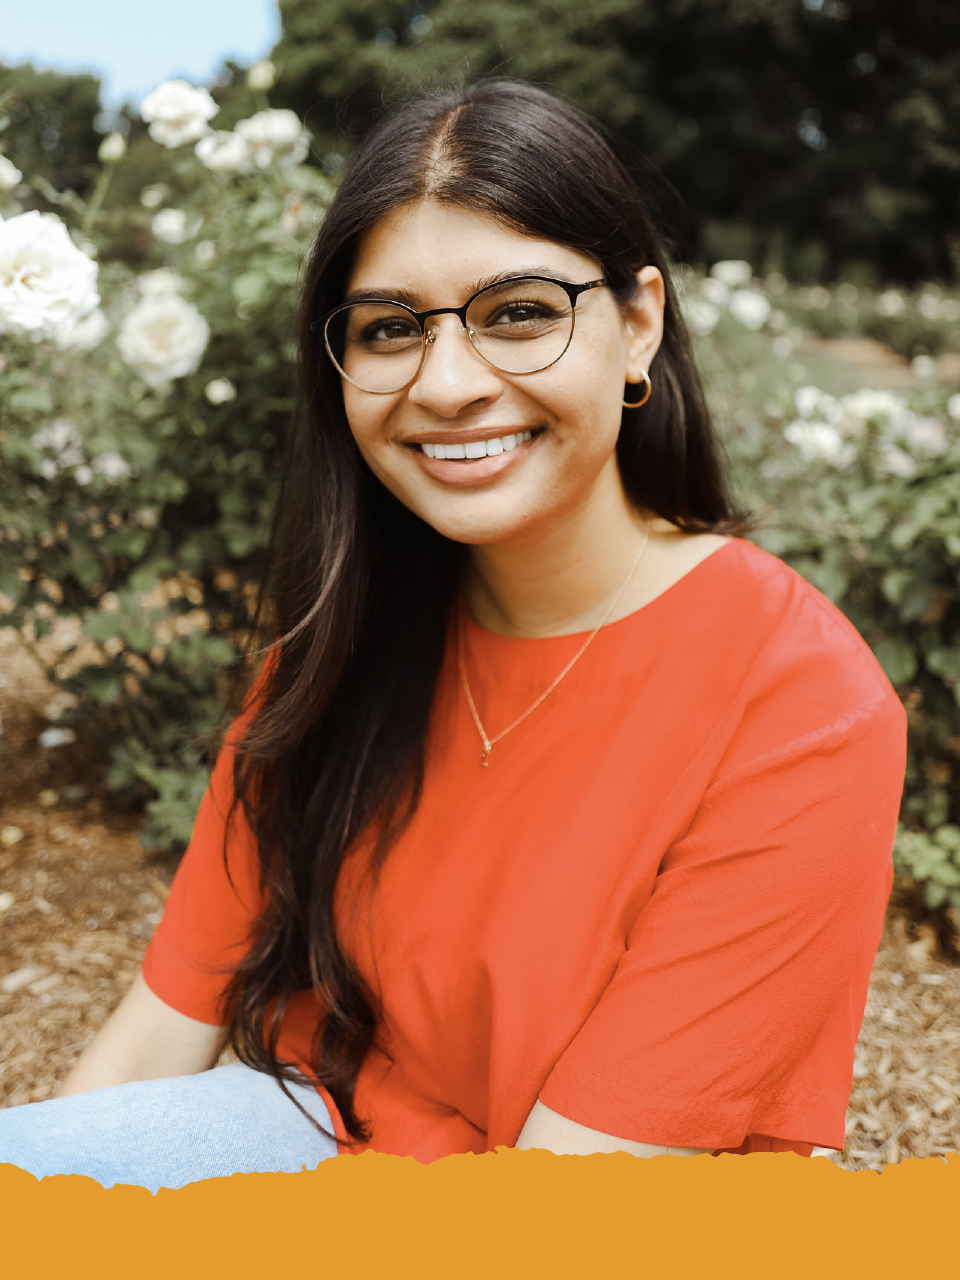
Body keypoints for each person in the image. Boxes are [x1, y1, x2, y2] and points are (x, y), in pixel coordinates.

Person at [0, 80, 907, 1191]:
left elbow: (559, 1217)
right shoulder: (343, 636)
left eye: (518, 311)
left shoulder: (799, 700)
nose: (446, 382)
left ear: (638, 325)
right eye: (390, 328)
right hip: (311, 1125)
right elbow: (163, 1024)